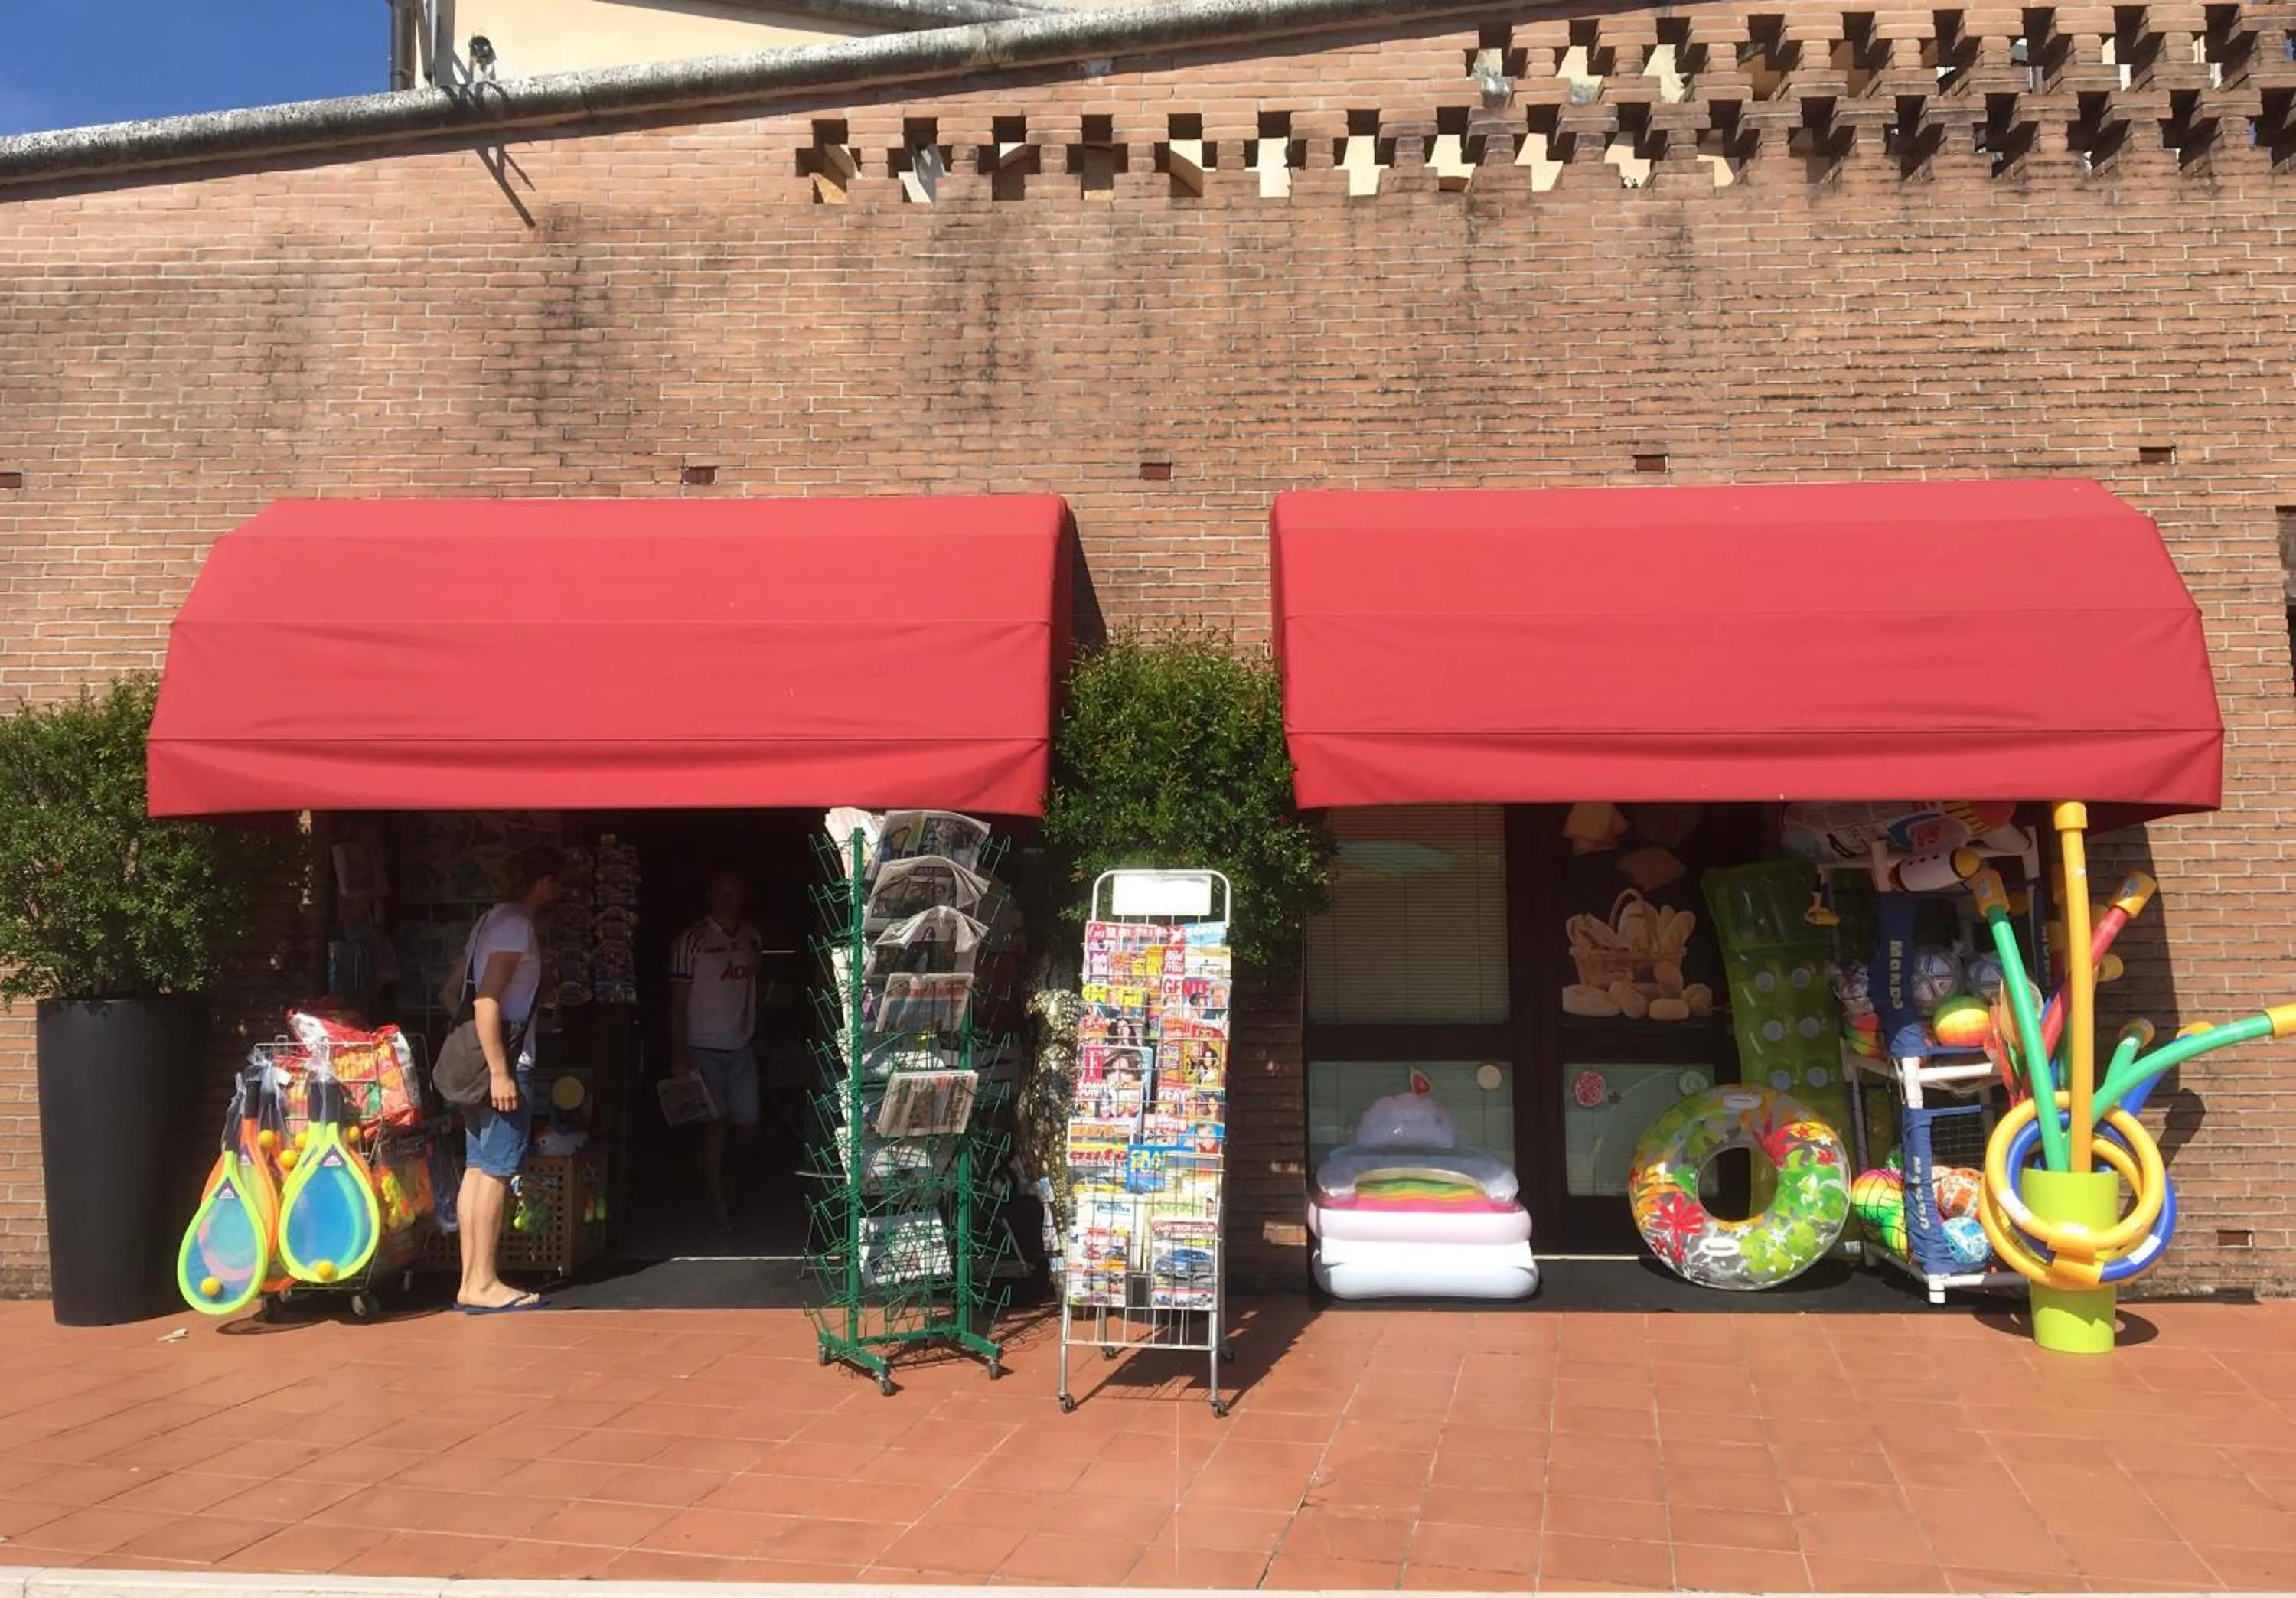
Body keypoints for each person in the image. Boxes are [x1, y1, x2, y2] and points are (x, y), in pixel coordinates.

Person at [441, 844, 563, 1313]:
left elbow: (453, 993)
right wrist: (499, 1069)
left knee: (478, 1168)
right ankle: (484, 1282)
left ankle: (471, 1279)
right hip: (505, 1069)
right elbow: (486, 1000)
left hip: (480, 1067)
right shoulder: (516, 925)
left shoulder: (488, 920)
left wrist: (475, 1047)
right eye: (556, 883)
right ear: (543, 883)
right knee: (495, 1171)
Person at [670, 869, 765, 1230]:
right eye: (722, 892)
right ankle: (717, 1199)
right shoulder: (690, 940)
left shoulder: (752, 937)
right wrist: (680, 1056)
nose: (728, 899)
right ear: (710, 896)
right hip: (703, 1046)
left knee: (748, 1125)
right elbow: (677, 1003)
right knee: (715, 1125)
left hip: (741, 1046)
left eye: (734, 891)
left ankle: (733, 1182)